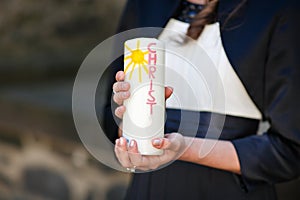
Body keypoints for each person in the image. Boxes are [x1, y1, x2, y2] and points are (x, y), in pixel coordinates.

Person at [105, 0, 300, 199]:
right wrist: (132, 128)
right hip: (149, 189)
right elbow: (110, 119)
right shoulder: (145, 4)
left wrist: (183, 149)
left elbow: (290, 151)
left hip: (230, 190)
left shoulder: (277, 8)